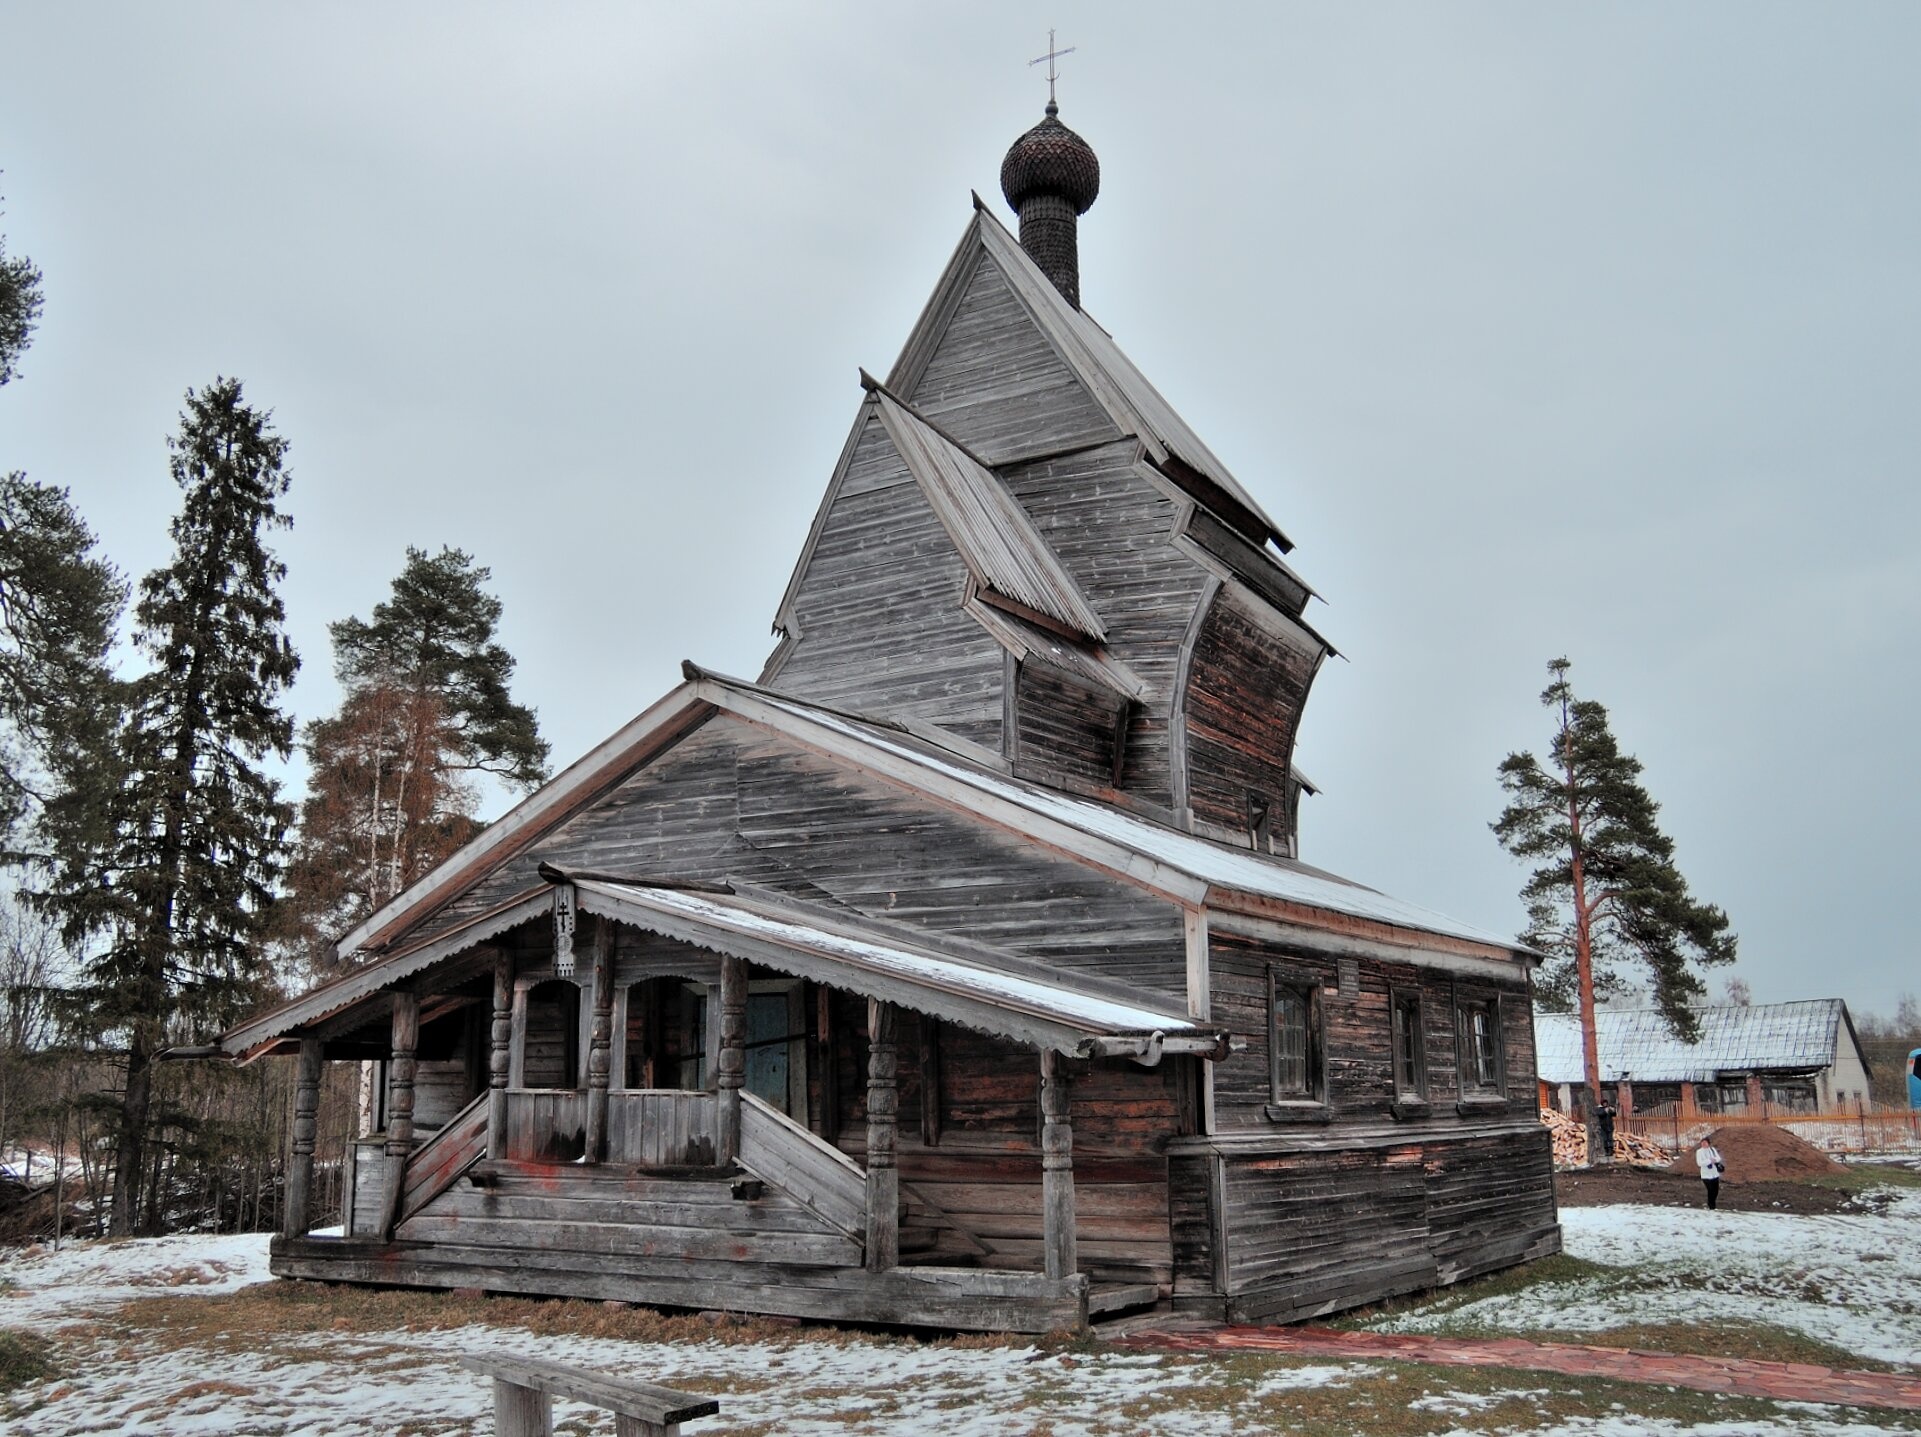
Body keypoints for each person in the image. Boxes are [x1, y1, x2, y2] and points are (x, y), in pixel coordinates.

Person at [1695, 1135, 1726, 1209]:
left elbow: (1718, 1158)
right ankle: (1711, 1205)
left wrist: (1714, 1160)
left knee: (1716, 1191)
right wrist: (1709, 1161)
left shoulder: (1712, 1149)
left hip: (1714, 1173)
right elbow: (1699, 1163)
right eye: (1702, 1143)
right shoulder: (1699, 1152)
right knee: (1710, 1190)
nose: (1703, 1144)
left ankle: (1712, 1203)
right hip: (1705, 1175)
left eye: (1705, 1143)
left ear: (1708, 1143)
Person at [1594, 1097, 1618, 1163]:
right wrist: (1605, 1111)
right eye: (1604, 1103)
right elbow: (1600, 1114)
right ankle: (1606, 1151)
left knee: (1610, 1138)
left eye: (1606, 1103)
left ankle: (1611, 1150)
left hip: (1610, 1126)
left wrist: (1613, 1110)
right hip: (1603, 1127)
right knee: (1605, 1139)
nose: (1605, 1104)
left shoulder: (1609, 1109)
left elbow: (1614, 1114)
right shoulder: (1600, 1109)